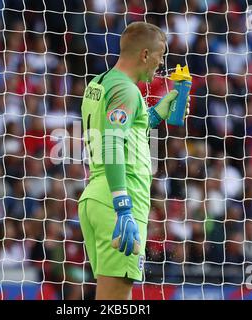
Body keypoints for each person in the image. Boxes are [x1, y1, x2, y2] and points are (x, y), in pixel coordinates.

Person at [78, 21, 189, 300]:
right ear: (144, 55)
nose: (160, 63)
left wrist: (155, 114)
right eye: (160, 55)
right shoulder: (127, 91)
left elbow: (119, 129)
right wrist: (123, 206)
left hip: (97, 194)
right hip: (118, 200)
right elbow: (113, 144)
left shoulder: (100, 83)